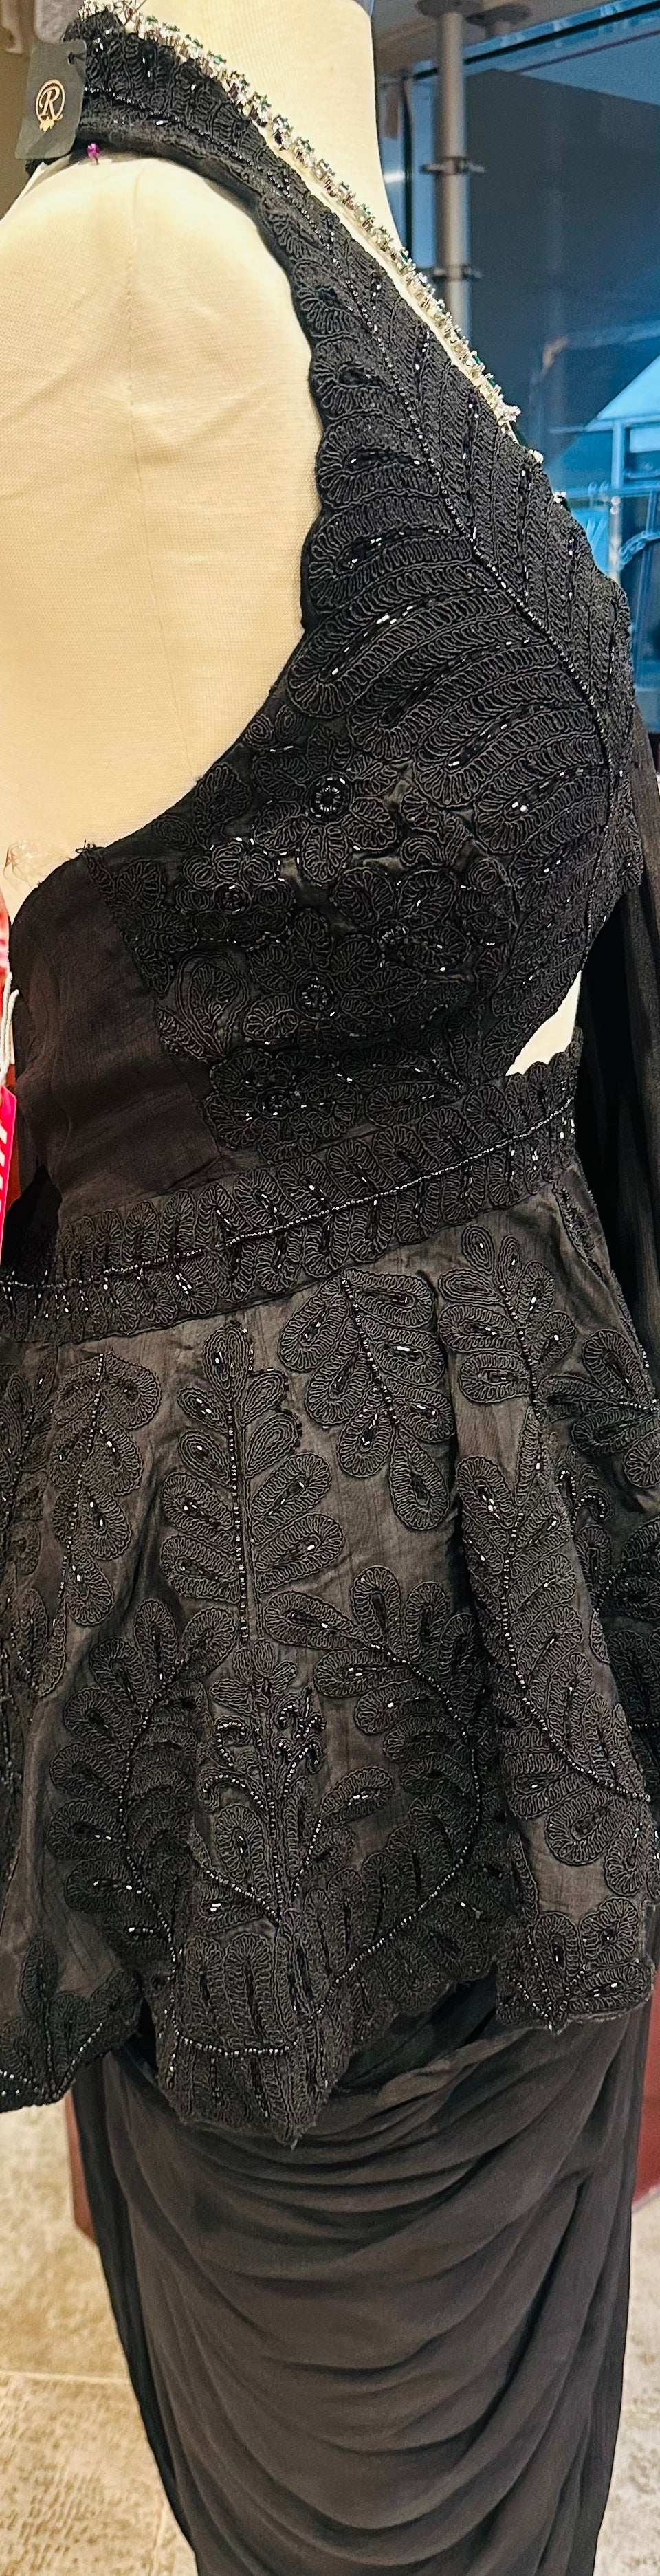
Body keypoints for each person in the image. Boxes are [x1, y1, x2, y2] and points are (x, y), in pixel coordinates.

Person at [1, 2, 660, 2568]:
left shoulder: (304, 178)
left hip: (503, 1576)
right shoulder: (119, 268)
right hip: (300, 1647)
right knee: (378, 2475)